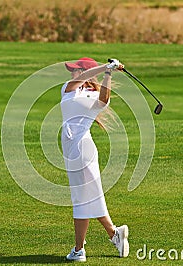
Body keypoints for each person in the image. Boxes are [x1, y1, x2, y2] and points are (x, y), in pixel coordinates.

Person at [60, 57, 129, 262]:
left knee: (82, 198)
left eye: (76, 69)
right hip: (72, 150)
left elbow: (104, 100)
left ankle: (79, 250)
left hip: (83, 149)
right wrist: (106, 67)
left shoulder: (94, 95)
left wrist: (107, 73)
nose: (72, 73)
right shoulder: (68, 88)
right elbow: (81, 79)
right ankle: (114, 233)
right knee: (89, 196)